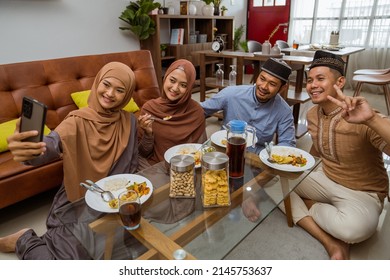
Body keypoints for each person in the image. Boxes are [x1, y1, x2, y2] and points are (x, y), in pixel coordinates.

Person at [0, 62, 139, 259]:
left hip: (114, 203)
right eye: (106, 84)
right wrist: (30, 151)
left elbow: (132, 164)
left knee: (127, 252)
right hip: (79, 203)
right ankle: (24, 239)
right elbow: (52, 144)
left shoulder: (129, 121)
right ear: (97, 82)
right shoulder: (76, 120)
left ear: (127, 95)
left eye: (119, 90)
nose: (110, 93)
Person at [290, 50, 390, 260]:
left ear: (340, 81)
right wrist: (304, 172)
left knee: (354, 230)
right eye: (309, 80)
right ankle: (330, 242)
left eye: (320, 79)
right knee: (271, 180)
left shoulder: (360, 113)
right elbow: (317, 148)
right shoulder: (311, 114)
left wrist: (371, 120)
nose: (312, 85)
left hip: (363, 193)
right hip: (326, 179)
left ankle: (308, 205)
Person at [200, 58, 296, 154]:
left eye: (272, 84)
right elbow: (199, 110)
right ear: (257, 76)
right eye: (262, 79)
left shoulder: (284, 111)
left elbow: (287, 144)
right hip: (224, 152)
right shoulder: (232, 94)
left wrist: (274, 155)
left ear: (282, 88)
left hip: (256, 160)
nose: (264, 87)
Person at [137, 59, 207, 169]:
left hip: (186, 167)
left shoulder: (196, 111)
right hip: (155, 166)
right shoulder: (149, 109)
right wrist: (148, 133)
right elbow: (143, 153)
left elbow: (201, 150)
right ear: (165, 79)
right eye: (172, 80)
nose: (175, 88)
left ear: (189, 88)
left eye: (183, 85)